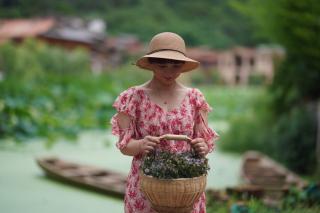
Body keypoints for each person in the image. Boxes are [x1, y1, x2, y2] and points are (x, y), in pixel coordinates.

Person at [111, 32, 219, 213]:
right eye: (162, 66)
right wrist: (140, 144)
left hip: (185, 186)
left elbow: (204, 143)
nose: (169, 72)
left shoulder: (195, 98)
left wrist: (202, 146)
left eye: (175, 66)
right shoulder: (132, 98)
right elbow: (125, 146)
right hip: (146, 186)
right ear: (151, 65)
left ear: (183, 66)